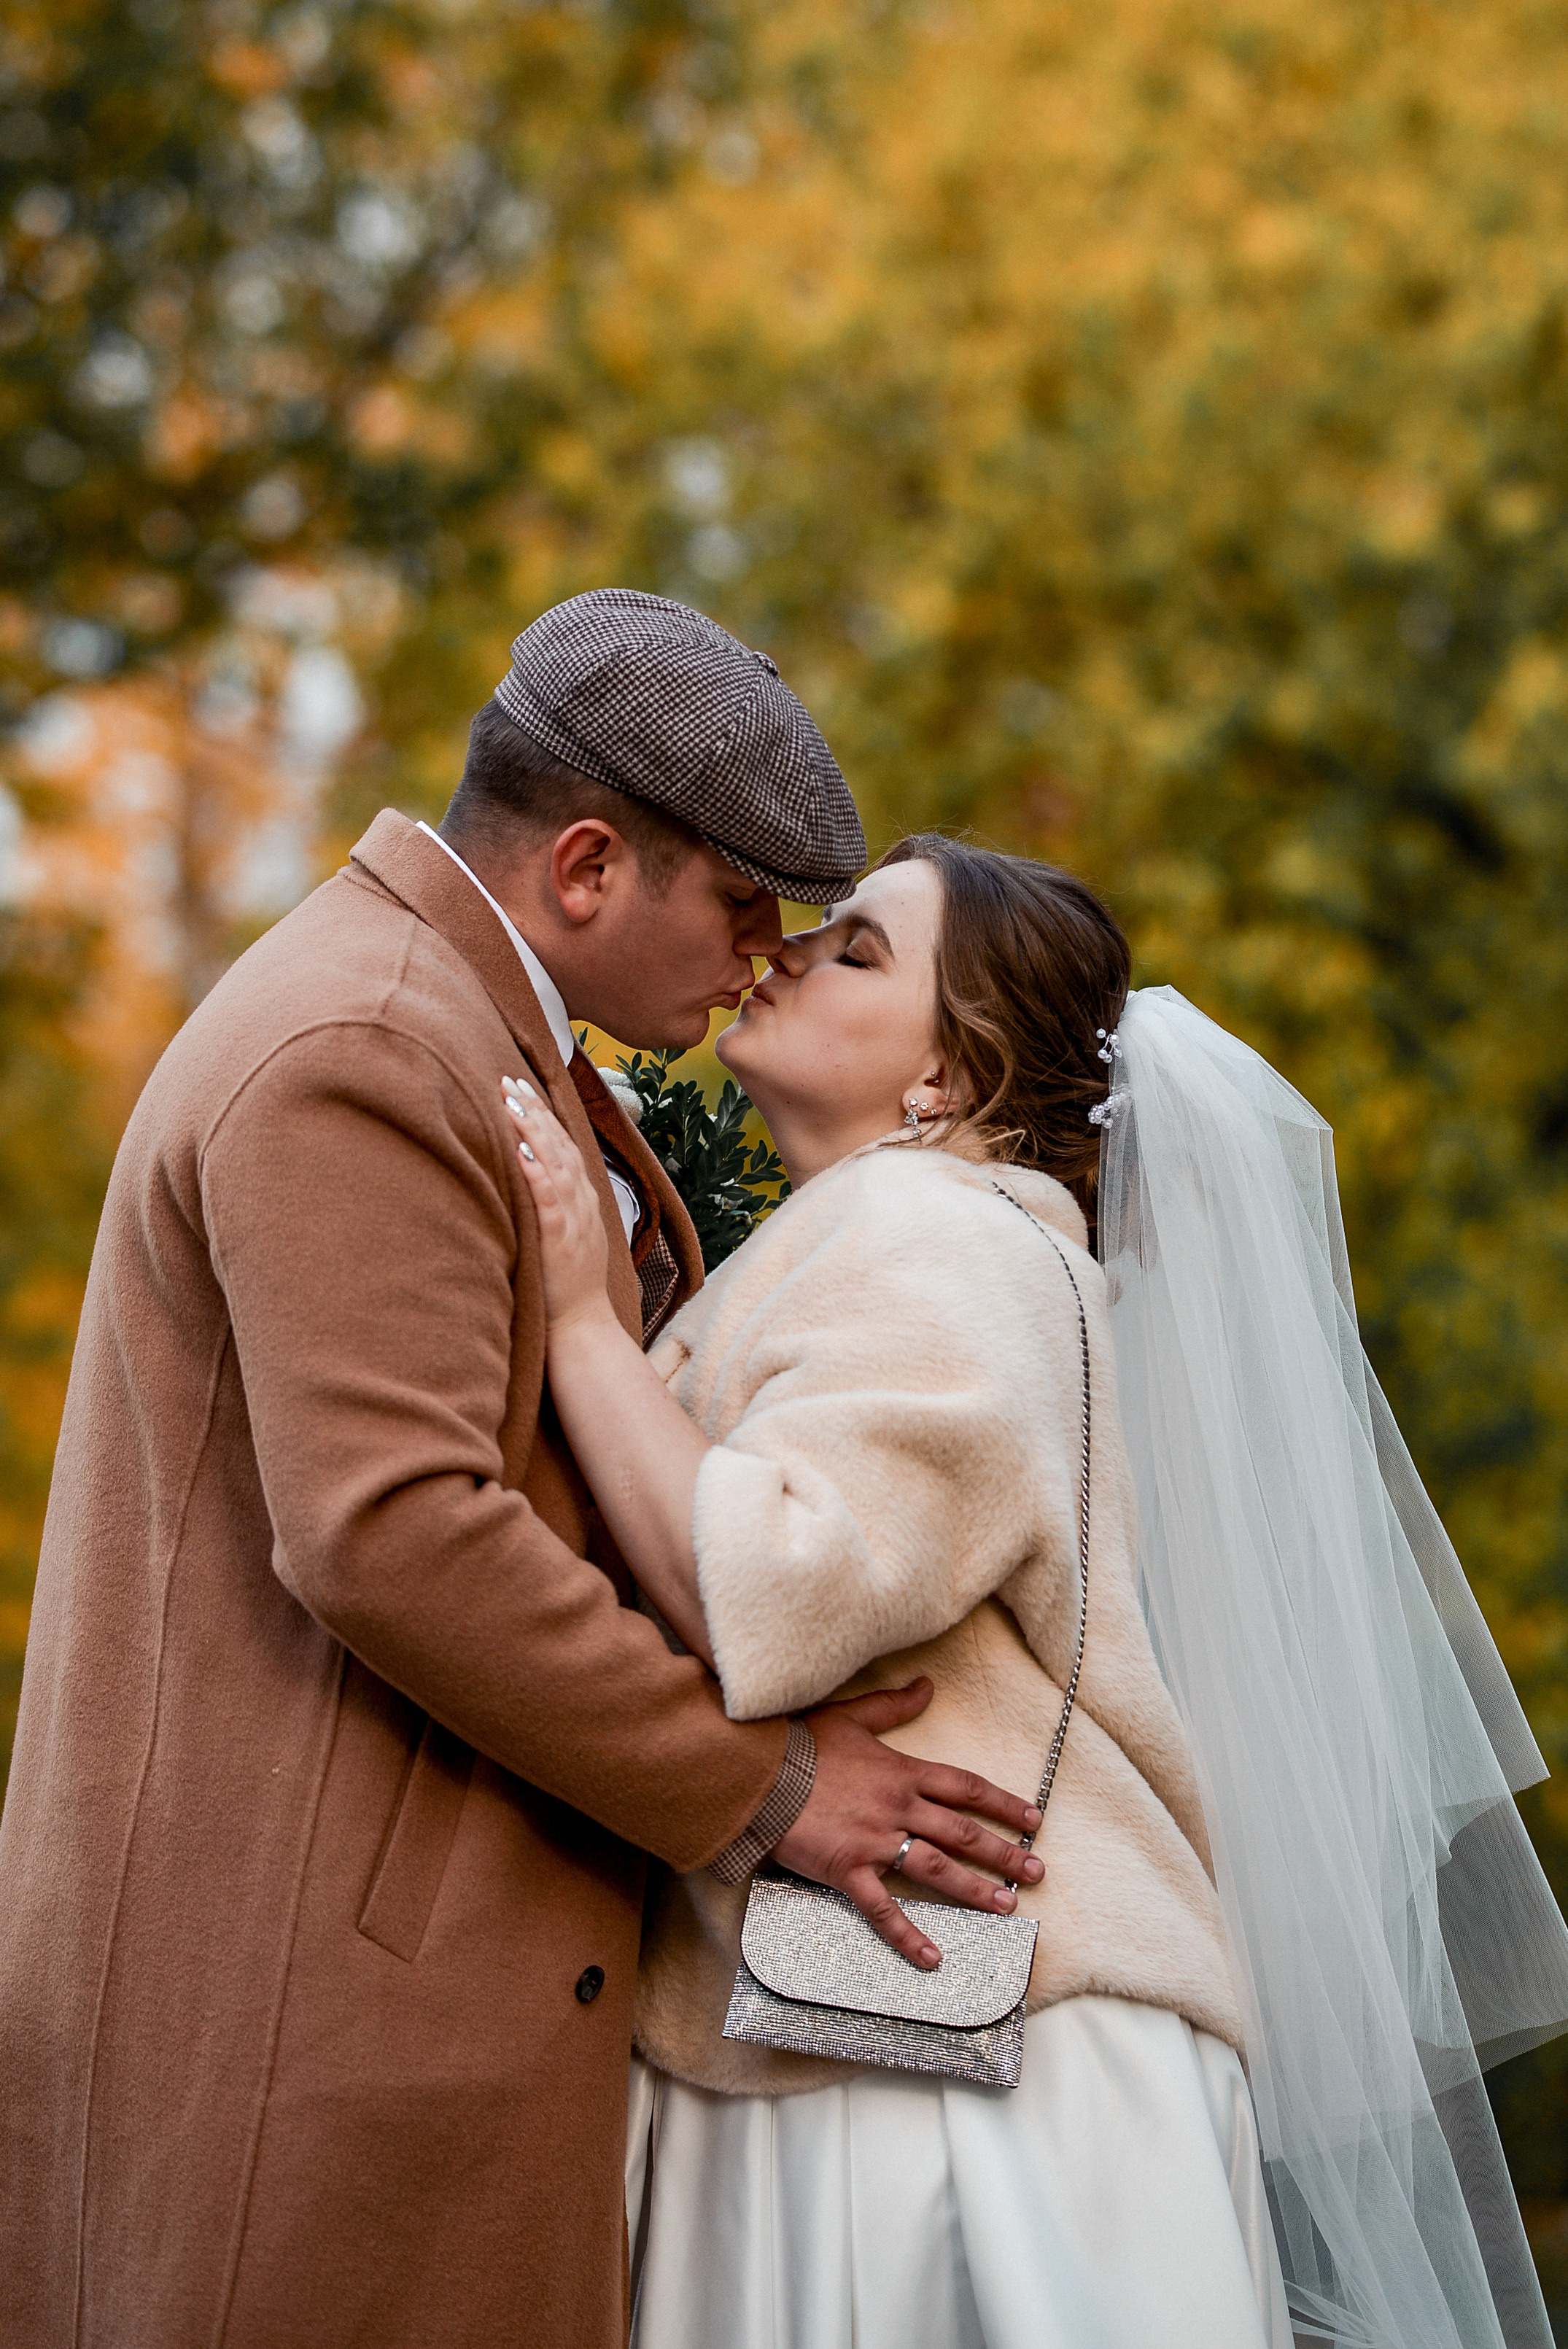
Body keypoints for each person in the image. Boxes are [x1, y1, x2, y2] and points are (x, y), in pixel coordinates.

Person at [0, 594, 1047, 2349]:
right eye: (741, 908)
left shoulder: (465, 1028)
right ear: (585, 868)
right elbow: (392, 1532)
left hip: (411, 1991)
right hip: (300, 2009)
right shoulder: (364, 1047)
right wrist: (765, 1787)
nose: (764, 960)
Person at [509, 831, 1568, 2349]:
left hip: (955, 2075)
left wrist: (575, 1326)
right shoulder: (890, 1239)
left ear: (947, 1077)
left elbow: (771, 1584)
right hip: (886, 2033)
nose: (787, 949)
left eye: (859, 949)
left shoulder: (942, 1234)